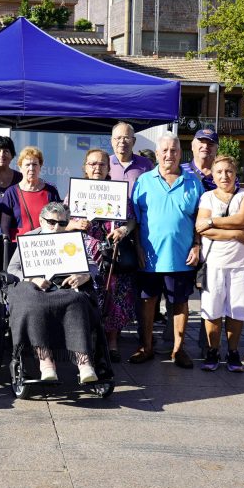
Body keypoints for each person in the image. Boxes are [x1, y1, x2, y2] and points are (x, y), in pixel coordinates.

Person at [130, 133, 203, 369]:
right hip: (149, 256)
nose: (169, 155)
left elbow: (201, 219)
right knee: (147, 302)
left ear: (180, 153)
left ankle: (178, 350)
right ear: (157, 154)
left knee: (180, 303)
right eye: (164, 151)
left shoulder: (194, 182)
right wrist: (138, 247)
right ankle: (147, 347)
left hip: (181, 256)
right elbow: (135, 220)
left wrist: (197, 244)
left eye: (174, 150)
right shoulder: (144, 181)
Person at [6, 202, 99, 384]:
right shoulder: (29, 238)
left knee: (77, 300)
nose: (57, 227)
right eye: (51, 222)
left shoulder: (72, 239)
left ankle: (84, 364)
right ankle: (46, 363)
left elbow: (93, 266)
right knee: (34, 303)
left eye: (62, 223)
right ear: (41, 221)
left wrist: (84, 275)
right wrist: (32, 279)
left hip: (63, 287)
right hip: (36, 288)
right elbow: (12, 269)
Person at [71, 149, 136, 363]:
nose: (97, 168)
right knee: (90, 298)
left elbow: (132, 220)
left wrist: (123, 231)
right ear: (85, 167)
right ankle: (87, 341)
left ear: (108, 168)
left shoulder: (118, 192)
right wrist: (74, 224)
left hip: (113, 255)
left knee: (115, 296)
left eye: (101, 164)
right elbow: (62, 221)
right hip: (87, 257)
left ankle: (112, 342)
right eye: (92, 164)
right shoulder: (75, 193)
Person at [194, 156, 244, 372]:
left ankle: (233, 352)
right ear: (212, 175)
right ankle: (212, 351)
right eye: (219, 172)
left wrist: (212, 221)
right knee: (212, 311)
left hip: (242, 264)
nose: (224, 176)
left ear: (235, 173)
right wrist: (236, 235)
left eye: (229, 171)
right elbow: (201, 229)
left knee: (237, 311)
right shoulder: (206, 197)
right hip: (214, 263)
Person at [0, 146, 61, 243]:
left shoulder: (51, 191)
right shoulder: (11, 193)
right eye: (27, 165)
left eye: (35, 164)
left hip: (46, 245)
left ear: (40, 167)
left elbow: (59, 220)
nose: (31, 168)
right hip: (19, 248)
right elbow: (4, 226)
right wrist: (7, 247)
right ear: (20, 167)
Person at [108, 122, 154, 194]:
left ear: (134, 141)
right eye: (118, 138)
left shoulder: (146, 164)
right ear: (112, 141)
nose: (122, 141)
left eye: (126, 138)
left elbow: (153, 190)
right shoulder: (105, 163)